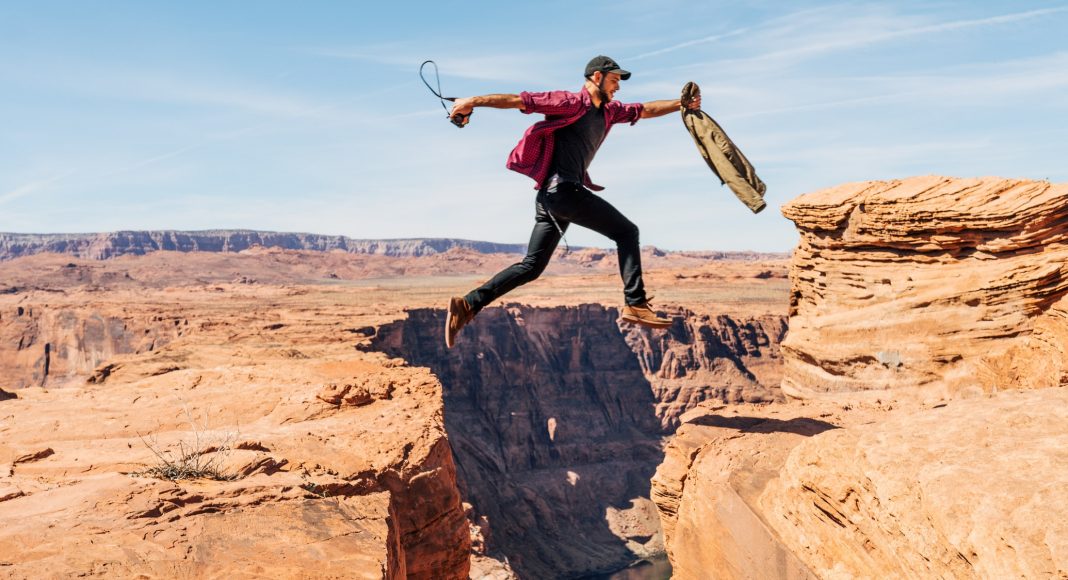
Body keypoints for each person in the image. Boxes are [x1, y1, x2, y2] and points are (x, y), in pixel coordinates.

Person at [445, 55, 701, 348]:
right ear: (596, 77)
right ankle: (635, 303)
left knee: (531, 266)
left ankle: (467, 305)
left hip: (551, 198)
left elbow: (644, 110)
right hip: (562, 192)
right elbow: (517, 100)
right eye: (614, 80)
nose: (618, 87)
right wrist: (471, 101)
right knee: (626, 232)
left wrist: (681, 104)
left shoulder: (609, 112)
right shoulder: (569, 102)